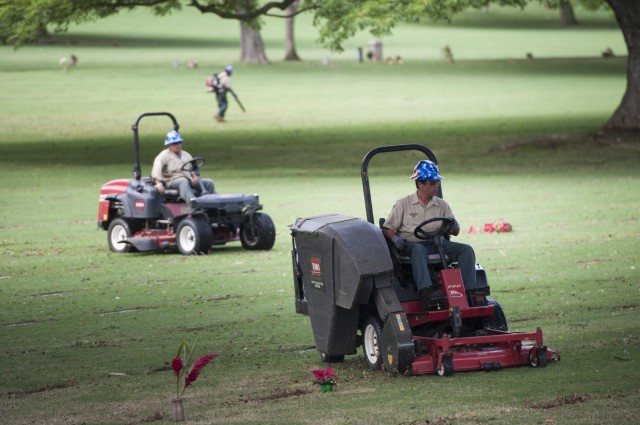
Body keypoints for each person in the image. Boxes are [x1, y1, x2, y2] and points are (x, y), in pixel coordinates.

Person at [382, 160, 477, 309]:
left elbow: (455, 231)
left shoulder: (442, 205)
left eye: (437, 182)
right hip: (411, 245)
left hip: (437, 243)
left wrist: (454, 225)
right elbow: (388, 228)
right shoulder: (403, 204)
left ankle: (470, 292)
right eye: (432, 183)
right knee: (419, 250)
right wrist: (394, 238)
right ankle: (426, 292)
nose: (436, 186)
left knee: (466, 250)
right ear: (420, 184)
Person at [151, 131, 215, 204]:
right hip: (171, 181)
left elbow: (192, 169)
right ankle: (192, 201)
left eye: (179, 142)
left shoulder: (186, 154)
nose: (178, 145)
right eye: (175, 143)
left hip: (188, 179)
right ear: (169, 145)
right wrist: (159, 184)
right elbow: (156, 171)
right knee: (183, 181)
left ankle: (212, 203)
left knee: (209, 182)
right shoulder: (163, 156)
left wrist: (194, 176)